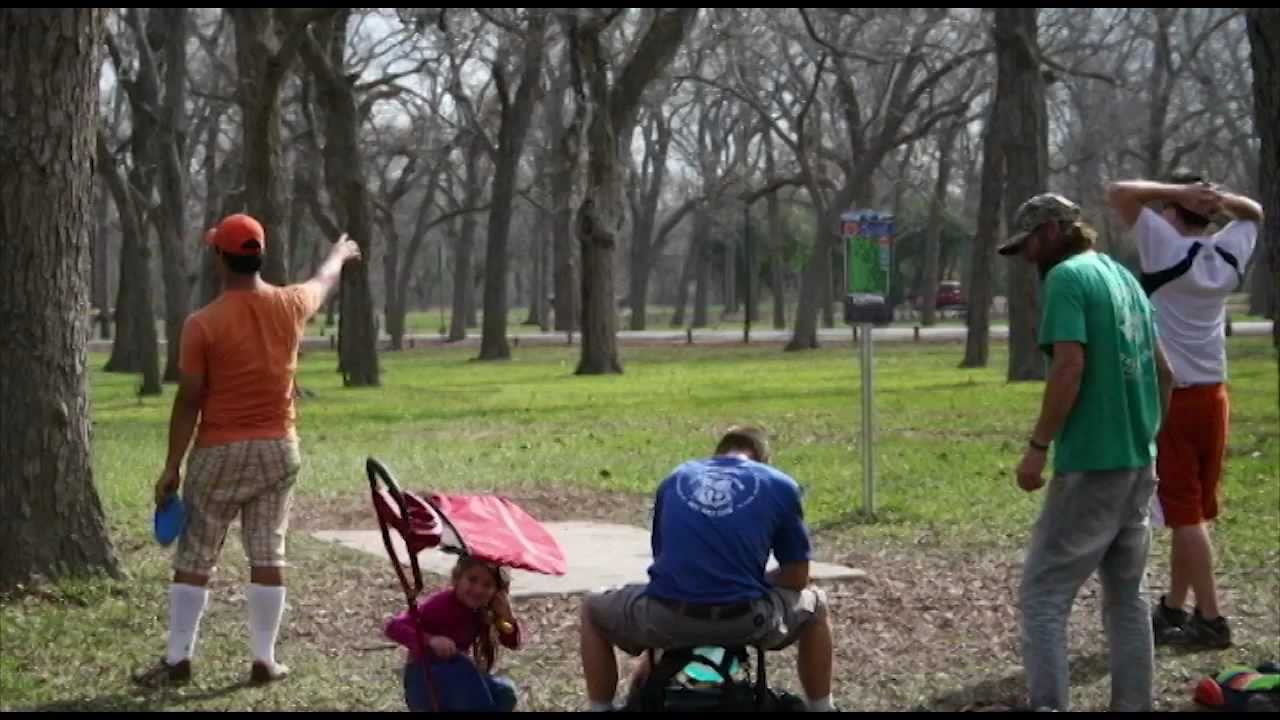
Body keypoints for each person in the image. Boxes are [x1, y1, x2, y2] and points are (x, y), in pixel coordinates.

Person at [133, 214, 362, 687]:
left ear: (220, 259)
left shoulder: (202, 324)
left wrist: (172, 466)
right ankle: (264, 659)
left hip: (219, 452)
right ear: (261, 256)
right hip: (278, 449)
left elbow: (189, 399)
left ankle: (178, 659)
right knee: (268, 550)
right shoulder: (291, 304)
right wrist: (339, 254)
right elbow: (323, 282)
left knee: (196, 554)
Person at [999, 193, 1174, 712]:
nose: (1026, 257)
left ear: (1052, 231)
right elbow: (1166, 373)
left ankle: (1049, 705)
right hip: (1138, 460)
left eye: (1028, 244)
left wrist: (1038, 447)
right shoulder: (1124, 279)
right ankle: (1134, 704)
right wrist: (1146, 432)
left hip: (1092, 463)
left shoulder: (1067, 278)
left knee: (1044, 594)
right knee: (1127, 595)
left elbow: (1069, 367)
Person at [1106, 171, 1262, 648]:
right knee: (1191, 510)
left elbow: (1119, 193)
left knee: (1185, 514)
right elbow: (1255, 212)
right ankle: (1174, 607)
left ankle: (1211, 619)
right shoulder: (1228, 253)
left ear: (1173, 212)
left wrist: (1177, 193)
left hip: (1173, 395)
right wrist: (1214, 198)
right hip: (1215, 395)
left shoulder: (1165, 247)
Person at [578, 426, 835, 712]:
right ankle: (821, 707)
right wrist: (754, 581)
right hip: (744, 619)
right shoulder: (779, 484)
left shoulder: (676, 478)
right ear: (764, 459)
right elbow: (797, 576)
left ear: (717, 456)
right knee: (817, 605)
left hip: (667, 617)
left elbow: (668, 570)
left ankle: (601, 707)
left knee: (593, 607)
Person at [385, 555, 523, 712]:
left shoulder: (483, 611)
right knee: (463, 667)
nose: (478, 589)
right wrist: (431, 640)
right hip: (425, 680)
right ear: (457, 579)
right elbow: (393, 627)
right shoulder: (440, 604)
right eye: (472, 580)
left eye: (487, 585)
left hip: (459, 680)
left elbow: (512, 642)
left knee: (505, 692)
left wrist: (507, 616)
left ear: (497, 592)